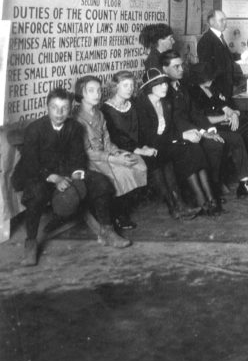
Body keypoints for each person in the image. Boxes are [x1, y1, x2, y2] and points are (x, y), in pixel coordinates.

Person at [14, 87, 130, 266]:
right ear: (47, 107)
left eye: (64, 108)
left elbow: (77, 157)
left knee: (101, 182)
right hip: (38, 174)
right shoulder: (35, 129)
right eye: (55, 107)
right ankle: (30, 243)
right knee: (36, 194)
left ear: (70, 109)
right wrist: (53, 178)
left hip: (66, 173)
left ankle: (107, 231)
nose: (59, 113)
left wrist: (76, 173)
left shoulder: (75, 127)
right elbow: (30, 163)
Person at [161, 50, 248, 199]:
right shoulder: (167, 91)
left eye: (181, 66)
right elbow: (181, 119)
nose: (181, 70)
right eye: (176, 67)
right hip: (187, 133)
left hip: (203, 127)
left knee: (240, 135)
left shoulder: (182, 88)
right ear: (164, 69)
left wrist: (229, 115)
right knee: (219, 143)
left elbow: (199, 112)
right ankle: (213, 189)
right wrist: (207, 130)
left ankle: (246, 184)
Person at [103, 70, 186, 219]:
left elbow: (141, 130)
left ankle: (180, 204)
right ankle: (172, 206)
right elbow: (116, 137)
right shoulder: (107, 109)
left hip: (140, 146)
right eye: (125, 85)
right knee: (155, 159)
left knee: (162, 155)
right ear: (115, 87)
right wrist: (139, 150)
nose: (129, 88)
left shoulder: (132, 104)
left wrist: (146, 146)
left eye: (131, 85)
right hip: (120, 150)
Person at [137, 68, 220, 216]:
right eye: (160, 84)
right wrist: (182, 137)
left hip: (166, 143)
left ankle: (209, 198)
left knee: (194, 148)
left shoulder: (165, 102)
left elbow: (171, 128)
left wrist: (186, 134)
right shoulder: (141, 106)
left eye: (165, 84)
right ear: (150, 87)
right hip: (150, 147)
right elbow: (149, 138)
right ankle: (200, 199)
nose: (165, 87)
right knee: (186, 150)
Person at [74, 75, 148, 232]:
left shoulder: (99, 114)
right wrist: (113, 159)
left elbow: (107, 140)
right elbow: (86, 152)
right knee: (120, 172)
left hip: (106, 154)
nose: (97, 94)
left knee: (136, 162)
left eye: (99, 91)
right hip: (90, 160)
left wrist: (117, 153)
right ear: (81, 94)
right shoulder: (78, 119)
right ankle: (117, 215)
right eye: (91, 91)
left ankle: (120, 209)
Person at [189, 61, 248, 185]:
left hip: (227, 122)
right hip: (213, 127)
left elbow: (227, 105)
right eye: (209, 77)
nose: (212, 79)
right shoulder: (194, 94)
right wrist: (224, 117)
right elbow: (202, 119)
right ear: (200, 78)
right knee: (241, 135)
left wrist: (233, 113)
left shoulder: (213, 88)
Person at [197, 9, 239, 101]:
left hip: (226, 86)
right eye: (221, 20)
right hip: (218, 90)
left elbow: (225, 57)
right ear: (212, 22)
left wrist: (244, 57)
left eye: (225, 20)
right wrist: (216, 92)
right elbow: (207, 70)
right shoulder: (206, 40)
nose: (225, 23)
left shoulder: (218, 37)